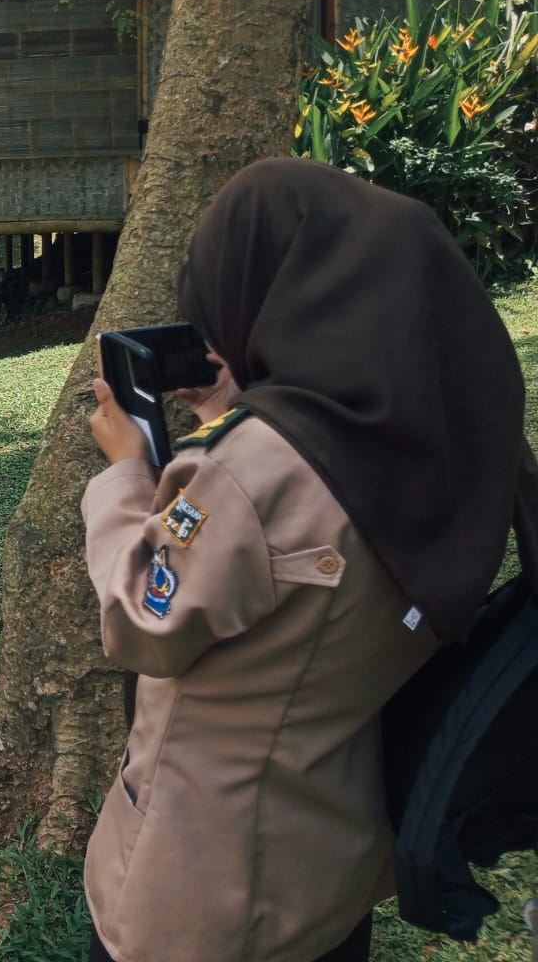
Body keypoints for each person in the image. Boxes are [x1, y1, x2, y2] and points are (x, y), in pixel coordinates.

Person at [80, 158, 531, 962]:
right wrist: (233, 412)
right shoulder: (454, 456)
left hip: (202, 893)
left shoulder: (249, 472)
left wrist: (125, 475)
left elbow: (141, 622)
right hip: (326, 871)